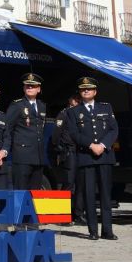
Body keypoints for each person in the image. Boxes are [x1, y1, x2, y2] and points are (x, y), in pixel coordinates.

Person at [66, 77, 118, 241]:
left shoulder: (106, 107)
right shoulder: (73, 112)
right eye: (83, 89)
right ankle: (93, 230)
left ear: (95, 91)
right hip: (86, 157)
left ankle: (107, 230)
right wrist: (90, 145)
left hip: (104, 156)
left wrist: (102, 145)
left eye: (89, 89)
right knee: (88, 195)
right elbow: (74, 133)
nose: (86, 91)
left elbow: (114, 129)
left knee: (105, 194)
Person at [4, 73, 47, 189]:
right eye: (27, 86)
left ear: (38, 89)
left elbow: (41, 129)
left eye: (32, 86)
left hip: (38, 156)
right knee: (21, 192)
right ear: (23, 88)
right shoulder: (17, 105)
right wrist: (8, 148)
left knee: (35, 193)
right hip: (22, 156)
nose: (30, 88)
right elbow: (7, 128)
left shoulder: (42, 106)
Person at [53, 94, 83, 223]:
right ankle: (62, 215)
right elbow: (55, 135)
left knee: (80, 184)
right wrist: (60, 149)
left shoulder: (80, 114)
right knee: (68, 183)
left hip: (80, 152)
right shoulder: (64, 114)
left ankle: (78, 214)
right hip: (69, 152)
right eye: (76, 102)